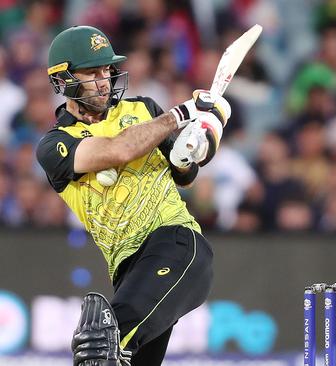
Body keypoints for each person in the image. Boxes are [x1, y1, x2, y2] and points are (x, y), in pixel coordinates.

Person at [36, 25, 231, 365]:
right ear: (64, 79)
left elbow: (185, 175)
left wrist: (191, 150)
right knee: (112, 352)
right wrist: (183, 113)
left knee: (101, 340)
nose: (104, 79)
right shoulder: (55, 145)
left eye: (106, 70)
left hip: (175, 243)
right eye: (92, 73)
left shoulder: (143, 109)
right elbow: (118, 149)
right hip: (129, 269)